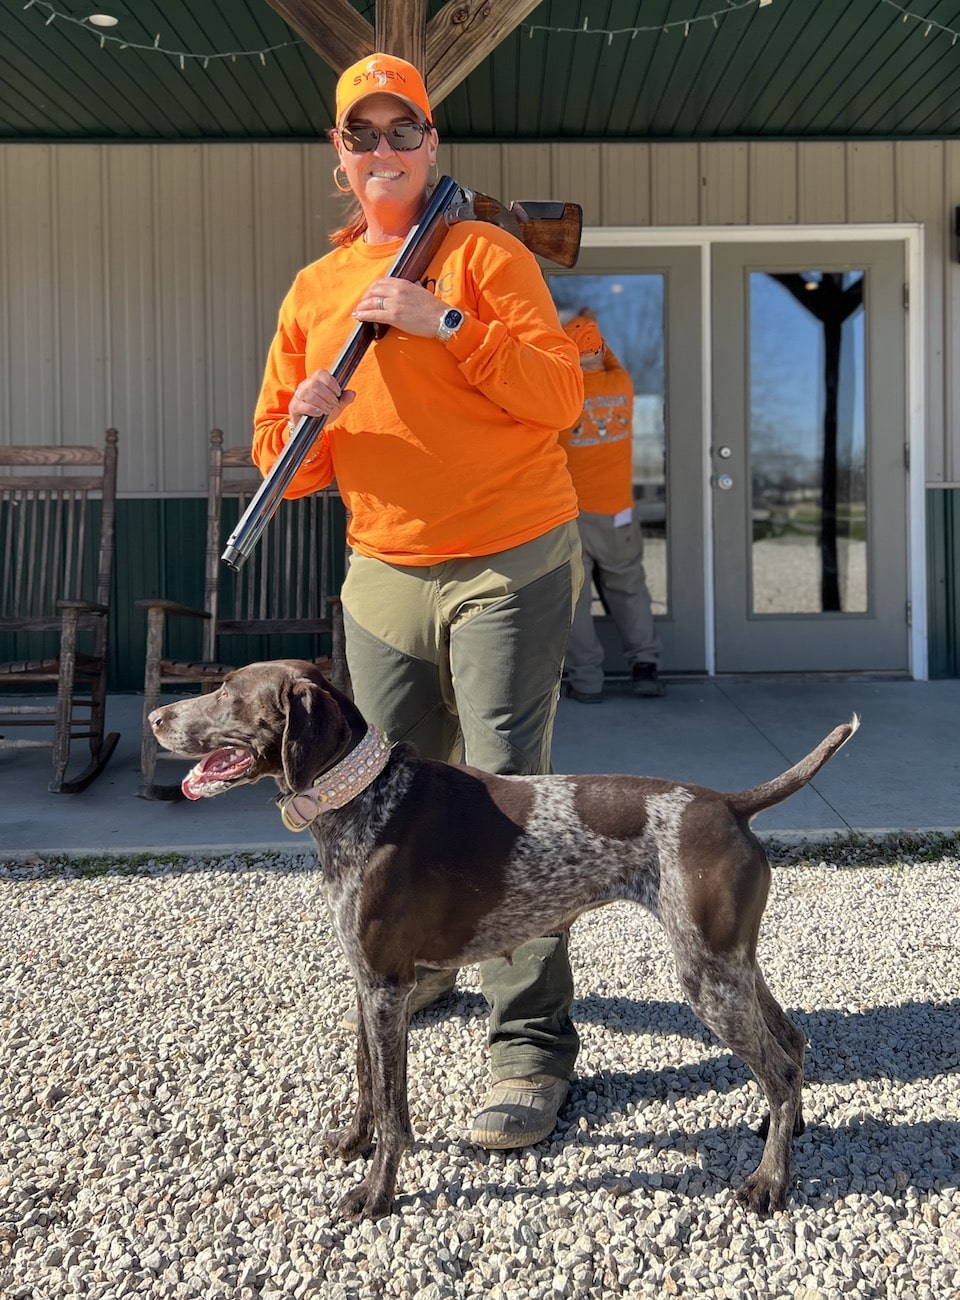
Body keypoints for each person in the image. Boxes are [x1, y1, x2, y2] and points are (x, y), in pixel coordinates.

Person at [252, 54, 585, 1150]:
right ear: (339, 158)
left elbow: (559, 399)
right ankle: (424, 963)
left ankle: (530, 1045)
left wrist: (445, 323)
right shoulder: (313, 291)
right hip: (383, 570)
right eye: (365, 136)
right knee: (383, 793)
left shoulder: (485, 256)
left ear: (431, 145)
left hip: (508, 560)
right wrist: (307, 412)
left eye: (406, 131)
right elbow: (279, 468)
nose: (385, 151)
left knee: (501, 796)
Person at [558, 312, 664, 702]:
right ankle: (646, 666)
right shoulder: (623, 383)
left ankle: (587, 680)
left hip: (574, 516)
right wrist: (591, 332)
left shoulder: (564, 396)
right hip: (619, 514)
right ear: (602, 351)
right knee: (629, 587)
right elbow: (610, 358)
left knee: (577, 599)